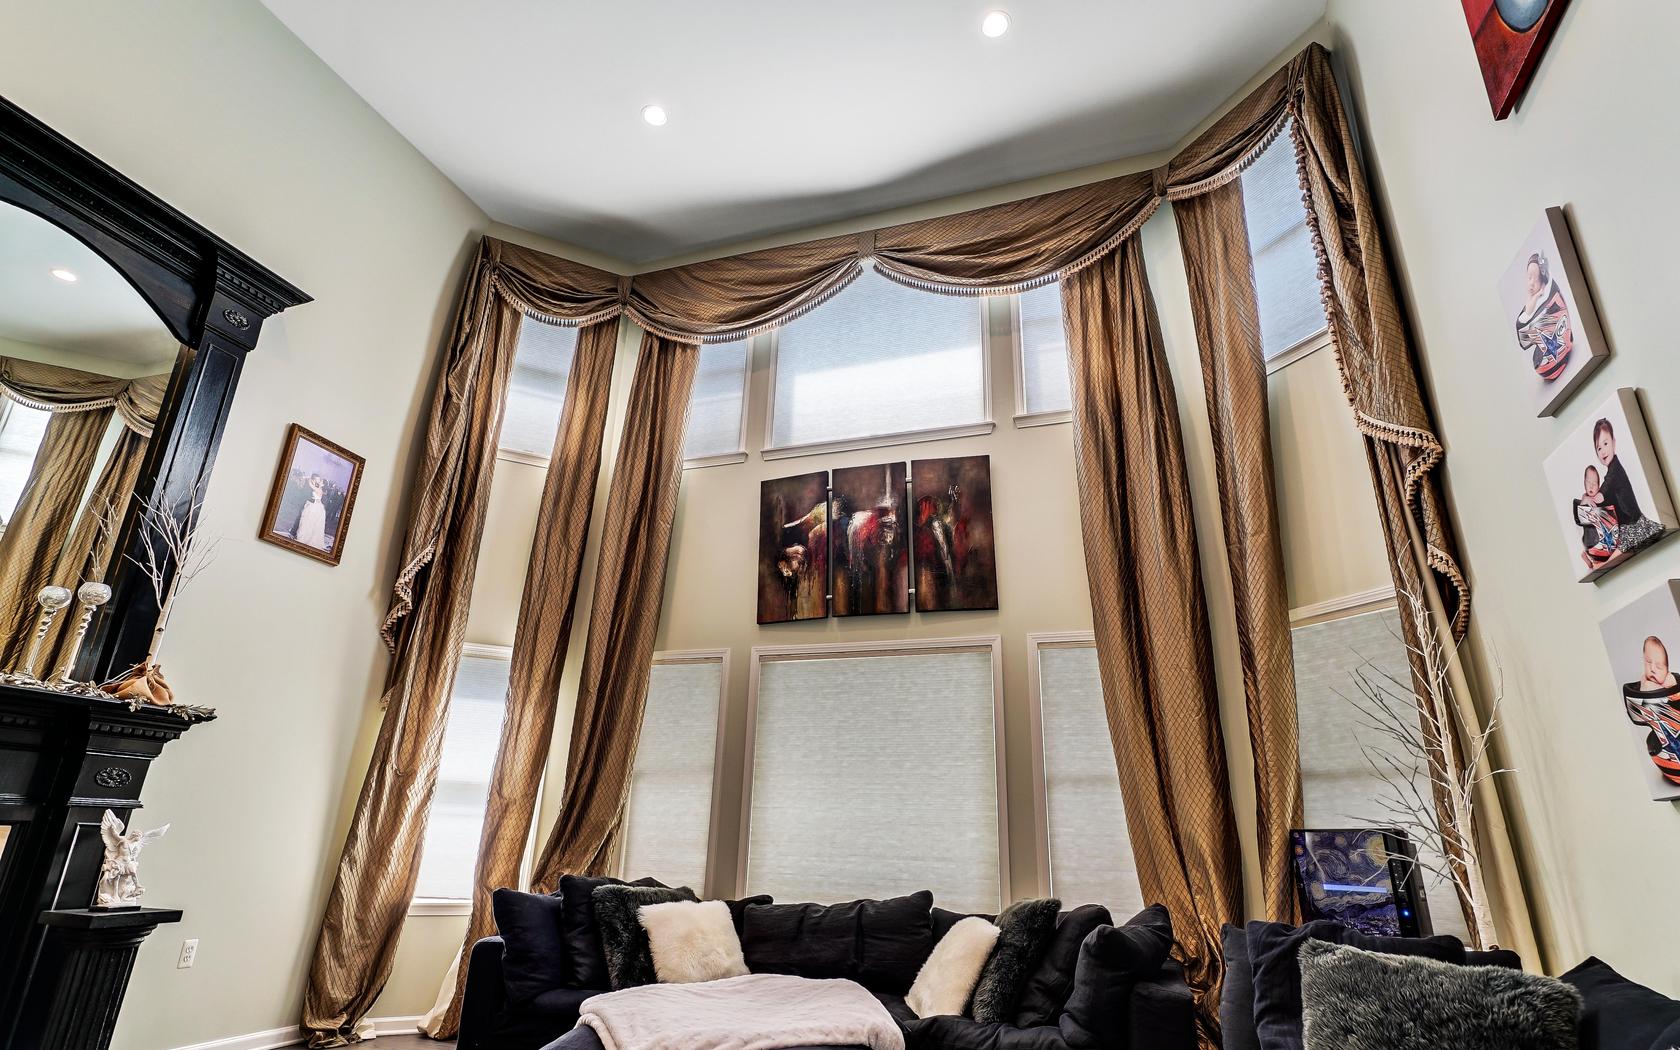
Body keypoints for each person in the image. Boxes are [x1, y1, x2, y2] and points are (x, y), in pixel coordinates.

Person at [1593, 418, 1664, 559]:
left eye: (1605, 443)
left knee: (1609, 560)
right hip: (1625, 528)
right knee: (1602, 555)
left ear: (1614, 442)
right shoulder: (1611, 470)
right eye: (1599, 448)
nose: (1603, 451)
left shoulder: (1615, 469)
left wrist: (1597, 496)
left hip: (1634, 526)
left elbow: (1606, 486)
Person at [1624, 635, 1680, 787]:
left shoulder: (1671, 681)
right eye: (1648, 662)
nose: (1652, 669)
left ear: (1667, 670)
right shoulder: (1646, 684)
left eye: (1659, 667)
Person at [1514, 250, 1573, 382]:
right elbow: (1527, 315)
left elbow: (1525, 330)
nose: (1531, 283)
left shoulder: (1545, 301)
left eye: (1536, 279)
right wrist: (1535, 296)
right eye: (1529, 277)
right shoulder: (1538, 297)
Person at [1574, 464, 1619, 569]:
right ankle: (1589, 557)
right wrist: (1584, 500)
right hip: (1592, 541)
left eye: (1594, 483)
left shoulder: (1600, 498)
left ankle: (1590, 558)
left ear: (1599, 487)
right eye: (1588, 482)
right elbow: (1580, 517)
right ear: (1584, 484)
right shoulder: (1584, 500)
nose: (1591, 486)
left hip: (1603, 539)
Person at [294, 472, 328, 550]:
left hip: (315, 507)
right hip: (314, 506)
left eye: (320, 481)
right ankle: (307, 536)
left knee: (310, 522)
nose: (318, 482)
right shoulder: (318, 488)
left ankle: (306, 538)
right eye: (318, 480)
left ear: (322, 484)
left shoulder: (318, 489)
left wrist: (310, 479)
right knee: (309, 522)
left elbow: (311, 485)